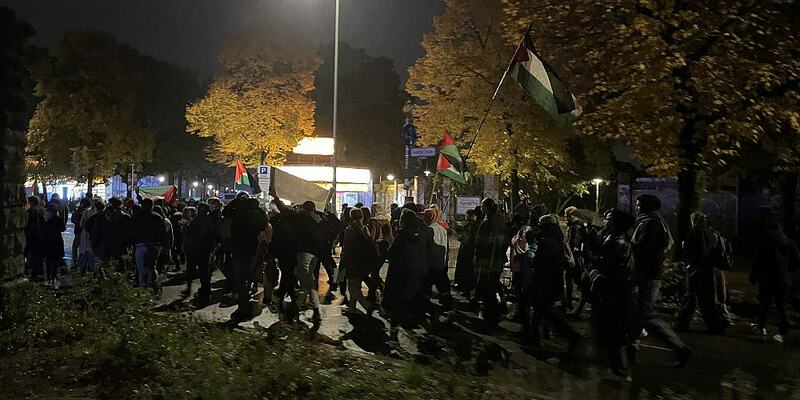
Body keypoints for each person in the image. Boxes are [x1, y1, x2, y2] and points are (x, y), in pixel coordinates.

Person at [629, 194, 691, 367]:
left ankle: (679, 346)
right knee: (637, 313)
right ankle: (631, 350)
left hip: (647, 275)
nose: (636, 207)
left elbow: (644, 249)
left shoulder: (651, 223)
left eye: (639, 204)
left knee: (646, 315)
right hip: (647, 274)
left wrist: (627, 242)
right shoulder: (652, 222)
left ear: (648, 206)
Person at [588, 210, 635, 381]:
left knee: (612, 327)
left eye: (608, 220)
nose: (604, 222)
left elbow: (604, 264)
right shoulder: (620, 239)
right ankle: (617, 362)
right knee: (613, 327)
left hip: (613, 290)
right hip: (618, 289)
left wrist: (595, 272)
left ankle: (618, 364)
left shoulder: (614, 241)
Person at [526, 215, 582, 351]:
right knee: (541, 314)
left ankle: (571, 336)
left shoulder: (546, 243)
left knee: (546, 314)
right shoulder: (558, 241)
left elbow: (541, 264)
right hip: (553, 282)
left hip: (544, 283)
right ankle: (535, 340)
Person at [384, 208, 434, 337]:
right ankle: (424, 325)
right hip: (419, 271)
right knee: (415, 297)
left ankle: (394, 332)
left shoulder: (402, 236)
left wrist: (387, 242)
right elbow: (429, 250)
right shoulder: (424, 233)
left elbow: (391, 253)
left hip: (402, 273)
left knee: (399, 301)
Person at [750, 212, 799, 344]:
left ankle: (761, 327)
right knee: (780, 304)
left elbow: (757, 261)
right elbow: (796, 260)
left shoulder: (765, 242)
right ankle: (783, 330)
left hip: (767, 278)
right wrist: (787, 270)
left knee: (765, 303)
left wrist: (753, 277)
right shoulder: (788, 242)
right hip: (783, 278)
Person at [677, 212, 725, 333]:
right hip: (708, 269)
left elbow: (695, 252)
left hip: (696, 269)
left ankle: (682, 323)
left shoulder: (695, 233)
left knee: (691, 297)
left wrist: (692, 265)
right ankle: (716, 325)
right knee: (706, 299)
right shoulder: (711, 233)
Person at [225, 196, 269, 321]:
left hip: (239, 249)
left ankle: (243, 307)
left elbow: (226, 212)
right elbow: (263, 224)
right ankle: (245, 300)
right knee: (247, 275)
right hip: (252, 248)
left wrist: (237, 200)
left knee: (240, 279)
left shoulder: (240, 214)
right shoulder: (257, 216)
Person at [473, 198, 509, 327]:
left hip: (488, 261)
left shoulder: (488, 222)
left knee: (487, 288)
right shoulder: (500, 222)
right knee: (491, 286)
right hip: (497, 260)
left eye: (483, 206)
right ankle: (493, 313)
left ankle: (491, 316)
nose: (481, 209)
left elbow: (481, 243)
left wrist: (478, 257)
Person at [340, 208, 376, 314]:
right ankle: (352, 308)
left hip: (353, 262)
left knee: (352, 288)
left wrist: (343, 262)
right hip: (364, 262)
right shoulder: (365, 229)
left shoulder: (350, 230)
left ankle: (367, 305)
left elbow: (347, 248)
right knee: (357, 285)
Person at [182, 203, 219, 304]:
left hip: (197, 249)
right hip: (203, 250)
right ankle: (204, 291)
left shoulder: (199, 221)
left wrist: (186, 227)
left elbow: (191, 234)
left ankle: (200, 291)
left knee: (194, 270)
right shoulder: (208, 220)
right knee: (203, 271)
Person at [131, 199, 166, 291]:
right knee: (152, 266)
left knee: (141, 268)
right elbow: (163, 232)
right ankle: (154, 285)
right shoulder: (157, 217)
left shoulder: (137, 216)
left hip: (140, 244)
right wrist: (162, 245)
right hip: (154, 245)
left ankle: (144, 288)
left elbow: (132, 231)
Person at [91, 197, 132, 272]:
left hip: (103, 248)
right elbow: (129, 234)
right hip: (119, 249)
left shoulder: (101, 216)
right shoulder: (126, 217)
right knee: (118, 271)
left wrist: (94, 247)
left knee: (103, 270)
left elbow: (95, 233)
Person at [424, 207, 453, 311]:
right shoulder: (442, 229)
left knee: (426, 286)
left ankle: (426, 307)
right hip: (441, 263)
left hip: (430, 263)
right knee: (443, 286)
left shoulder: (428, 230)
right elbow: (446, 246)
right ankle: (448, 307)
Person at [564, 206, 591, 315]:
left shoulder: (575, 227)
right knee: (575, 280)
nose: (566, 218)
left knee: (573, 280)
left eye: (567, 215)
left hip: (574, 257)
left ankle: (570, 304)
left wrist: (571, 256)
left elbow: (574, 243)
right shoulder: (577, 226)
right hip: (576, 257)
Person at [454, 207, 482, 297]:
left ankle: (465, 289)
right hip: (473, 250)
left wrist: (458, 235)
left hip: (466, 250)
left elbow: (464, 238)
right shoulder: (478, 224)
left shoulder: (469, 226)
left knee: (465, 269)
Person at [41, 204, 67, 288]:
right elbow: (63, 228)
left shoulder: (46, 220)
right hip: (57, 242)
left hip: (48, 243)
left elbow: (42, 231)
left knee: (48, 261)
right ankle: (54, 279)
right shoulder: (58, 219)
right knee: (55, 262)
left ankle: (48, 279)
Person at [77, 198, 104, 273]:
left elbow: (81, 224)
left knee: (84, 251)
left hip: (85, 234)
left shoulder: (86, 213)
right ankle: (91, 269)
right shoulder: (100, 214)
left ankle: (83, 267)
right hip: (94, 235)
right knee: (92, 252)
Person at [24, 196, 45, 279]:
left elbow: (32, 225)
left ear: (31, 202)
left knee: (32, 254)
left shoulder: (32, 211)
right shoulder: (43, 209)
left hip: (34, 236)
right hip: (42, 236)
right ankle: (39, 270)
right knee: (39, 255)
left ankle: (32, 272)